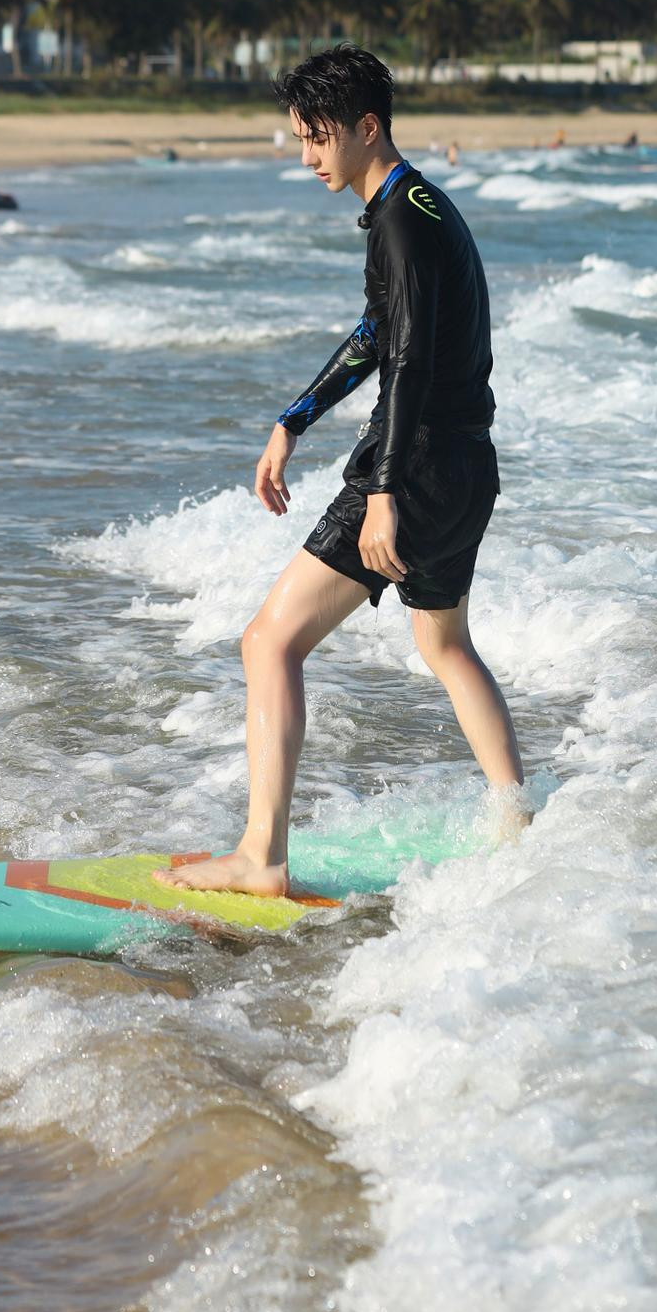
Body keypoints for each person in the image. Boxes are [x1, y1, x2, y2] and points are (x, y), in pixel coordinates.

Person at [154, 46, 526, 901]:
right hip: (467, 465)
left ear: (367, 128)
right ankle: (517, 830)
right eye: (299, 140)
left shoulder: (401, 221)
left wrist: (385, 493)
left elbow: (408, 365)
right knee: (444, 643)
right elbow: (377, 335)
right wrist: (294, 420)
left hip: (419, 467)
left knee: (269, 642)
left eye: (317, 139)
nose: (308, 157)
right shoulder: (420, 207)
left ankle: (261, 859)